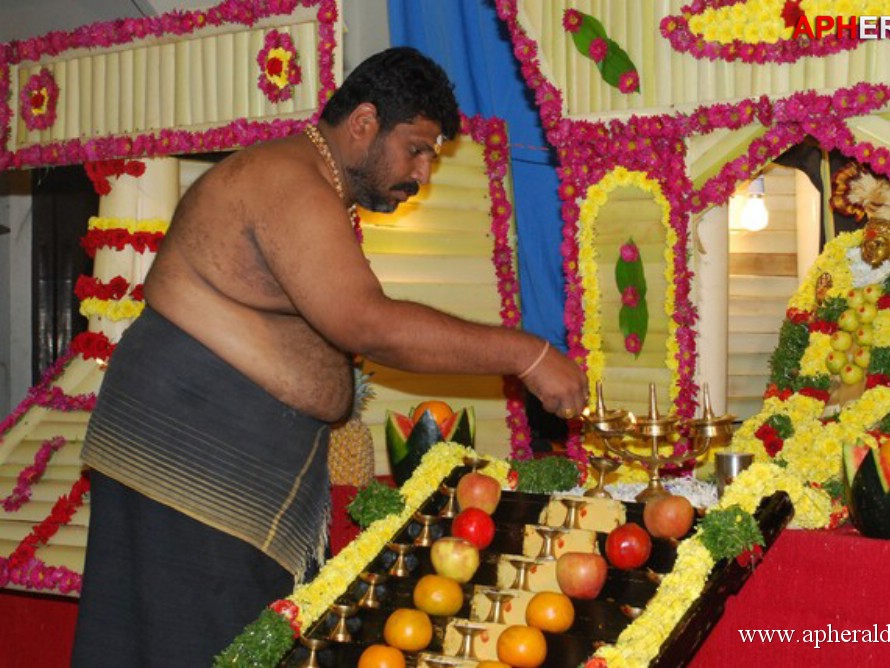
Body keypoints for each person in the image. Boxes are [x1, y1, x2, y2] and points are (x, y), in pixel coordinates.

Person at [71, 46, 588, 666]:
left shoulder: (310, 183)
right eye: (417, 148)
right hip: (184, 466)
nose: (422, 173)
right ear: (364, 122)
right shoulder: (286, 180)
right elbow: (367, 324)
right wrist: (528, 354)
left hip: (201, 465)